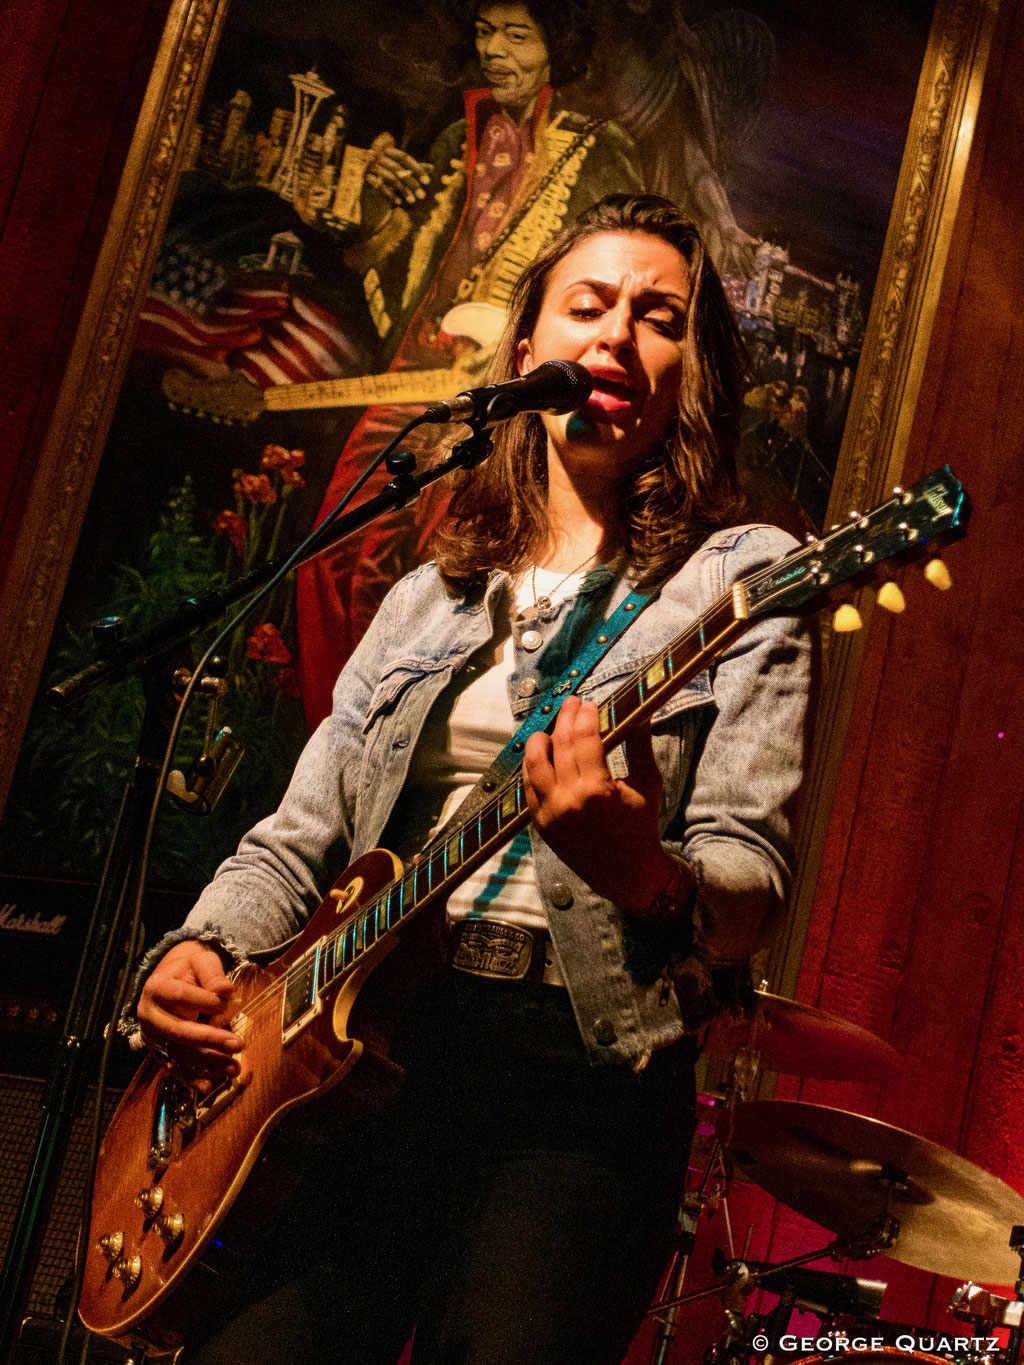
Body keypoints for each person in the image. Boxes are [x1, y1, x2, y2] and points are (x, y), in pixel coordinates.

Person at [131, 194, 812, 1365]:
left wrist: (641, 872)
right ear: (526, 353)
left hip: (578, 1082)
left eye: (659, 319)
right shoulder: (431, 593)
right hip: (360, 1058)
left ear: (693, 374)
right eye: (586, 307)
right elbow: (299, 839)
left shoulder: (743, 577)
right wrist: (200, 948)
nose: (614, 338)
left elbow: (749, 880)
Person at [297, 0, 645, 726]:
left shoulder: (597, 146)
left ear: (557, 47)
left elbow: (619, 285)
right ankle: (340, 731)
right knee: (334, 547)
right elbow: (381, 264)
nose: (496, 49)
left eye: (518, 33)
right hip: (420, 373)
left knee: (442, 561)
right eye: (487, 32)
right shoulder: (459, 135)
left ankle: (410, 735)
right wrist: (377, 207)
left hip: (511, 395)